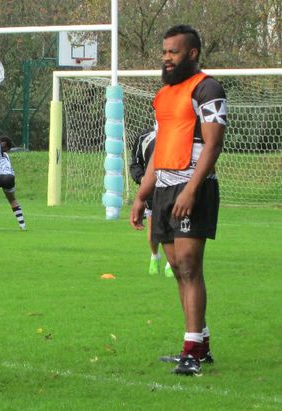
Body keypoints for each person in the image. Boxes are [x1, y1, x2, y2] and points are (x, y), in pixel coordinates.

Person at [130, 25, 227, 376]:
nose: (166, 58)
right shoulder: (164, 95)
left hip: (193, 188)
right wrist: (143, 195)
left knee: (188, 265)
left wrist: (190, 190)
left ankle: (191, 351)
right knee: (178, 271)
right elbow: (159, 151)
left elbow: (213, 145)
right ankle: (199, 344)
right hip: (164, 189)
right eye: (164, 52)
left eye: (173, 52)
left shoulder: (207, 88)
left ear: (192, 53)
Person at [129, 126, 173, 277]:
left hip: (173, 188)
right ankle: (155, 256)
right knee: (153, 230)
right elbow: (135, 163)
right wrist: (142, 180)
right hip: (152, 191)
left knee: (173, 226)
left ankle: (170, 264)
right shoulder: (144, 138)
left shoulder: (177, 134)